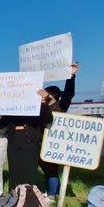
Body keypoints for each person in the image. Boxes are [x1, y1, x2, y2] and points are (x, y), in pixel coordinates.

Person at [0, 90, 53, 191]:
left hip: (31, 145)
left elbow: (49, 119)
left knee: (29, 172)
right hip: (14, 144)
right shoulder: (12, 108)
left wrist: (43, 103)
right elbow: (2, 124)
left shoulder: (38, 107)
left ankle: (28, 196)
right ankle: (15, 196)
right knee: (15, 172)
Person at [40, 63, 79, 198]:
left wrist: (71, 76)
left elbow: (68, 94)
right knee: (46, 169)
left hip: (54, 143)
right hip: (41, 141)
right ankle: (50, 191)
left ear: (51, 95)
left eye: (45, 93)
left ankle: (52, 194)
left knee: (52, 169)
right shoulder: (41, 107)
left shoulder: (60, 106)